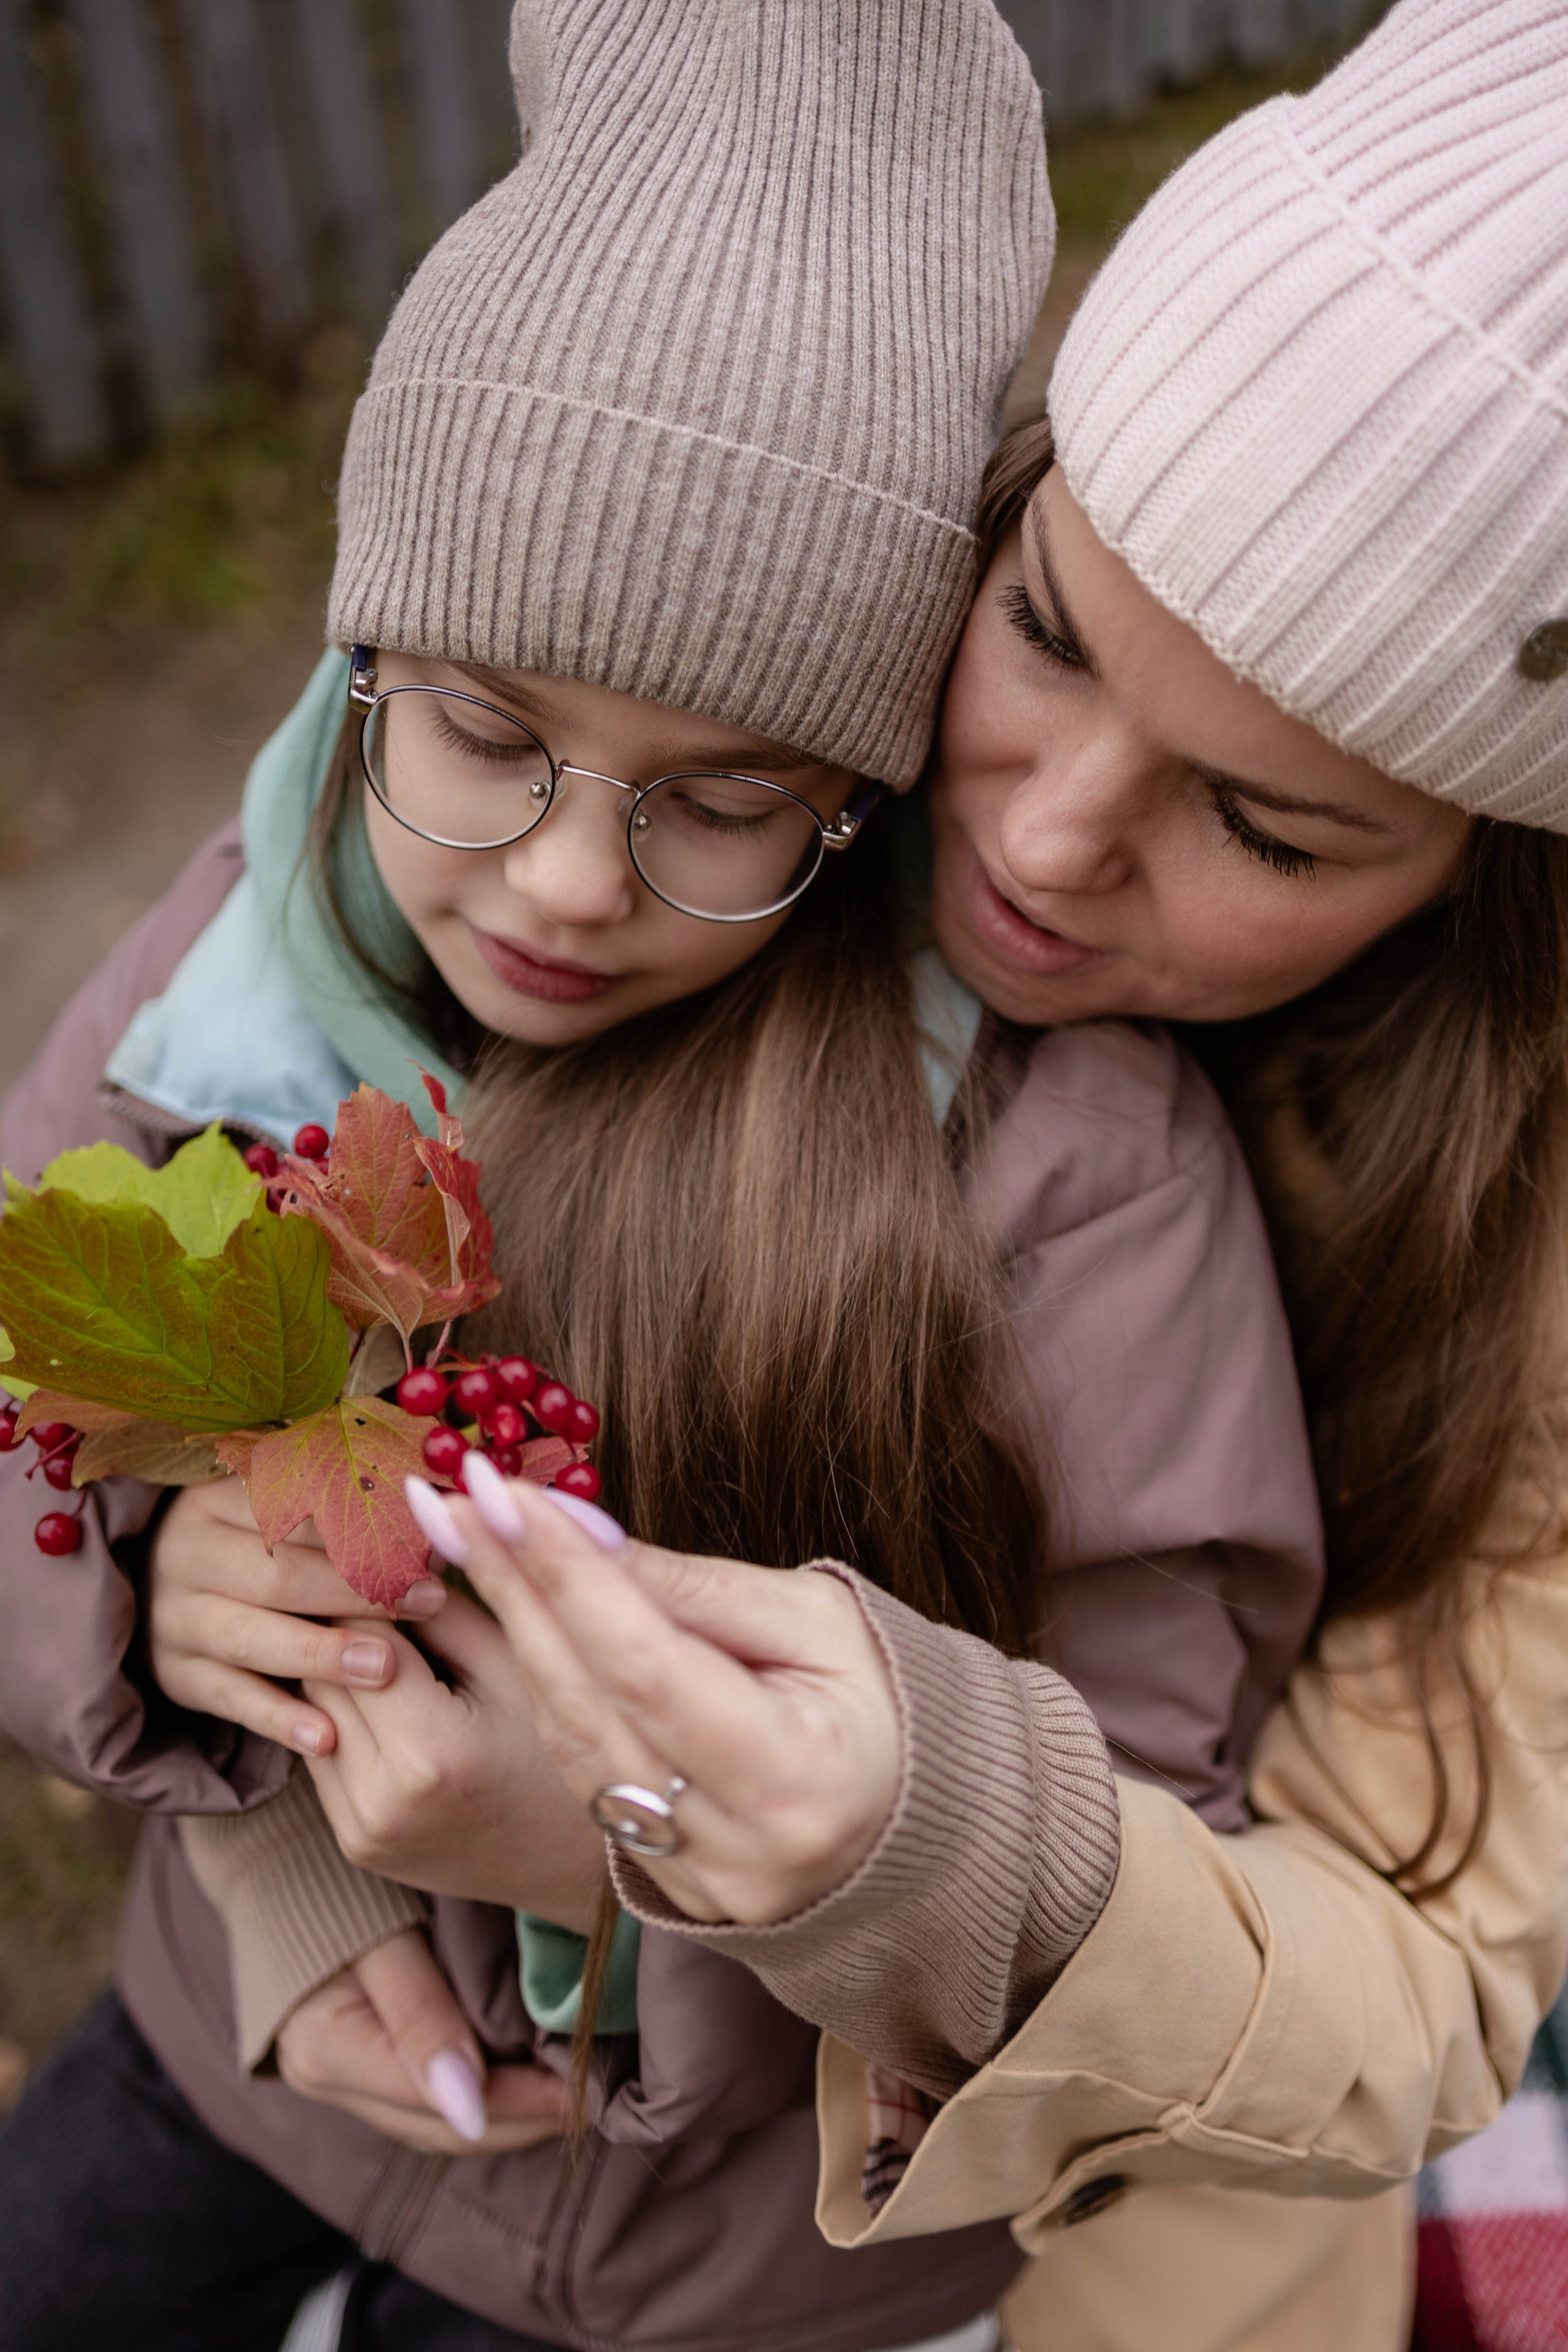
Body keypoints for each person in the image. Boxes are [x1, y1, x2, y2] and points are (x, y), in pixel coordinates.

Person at [0, 4, 1325, 2349]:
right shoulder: (237, 969)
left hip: (734, 2254)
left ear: (865, 789)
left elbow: (1144, 1833)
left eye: (726, 798)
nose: (575, 882)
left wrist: (622, 1845)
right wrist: (181, 1635)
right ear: (368, 646)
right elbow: (27, 1374)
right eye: (493, 734)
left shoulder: (1058, 1179)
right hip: (241, 2046)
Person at [374, 4, 1568, 2348]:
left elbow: (1429, 1975)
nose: (1032, 833)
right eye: (1044, 632)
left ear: (1488, 886)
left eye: (1264, 823)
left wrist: (926, 1858)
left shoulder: (1520, 1281)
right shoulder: (729, 762)